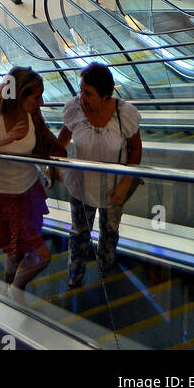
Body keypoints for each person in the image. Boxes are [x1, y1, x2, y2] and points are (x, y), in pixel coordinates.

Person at [0, 67, 65, 289]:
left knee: (17, 252)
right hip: (3, 195)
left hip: (28, 190)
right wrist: (2, 140)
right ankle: (16, 290)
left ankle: (10, 285)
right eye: (36, 97)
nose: (41, 102)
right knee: (41, 255)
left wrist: (51, 166)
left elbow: (44, 144)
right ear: (19, 94)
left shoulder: (33, 114)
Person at [57, 62, 143, 288]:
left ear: (106, 96)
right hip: (80, 187)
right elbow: (62, 140)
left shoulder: (125, 114)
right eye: (81, 90)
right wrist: (52, 165)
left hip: (114, 189)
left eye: (89, 93)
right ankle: (75, 276)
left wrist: (125, 184)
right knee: (78, 234)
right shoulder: (74, 109)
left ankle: (106, 268)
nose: (82, 97)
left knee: (110, 232)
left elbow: (136, 148)